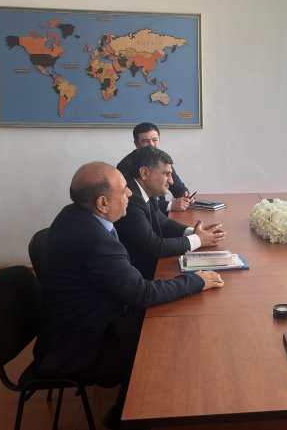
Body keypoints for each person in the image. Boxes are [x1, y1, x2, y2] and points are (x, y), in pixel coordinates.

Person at [33, 162, 224, 430]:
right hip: (79, 344)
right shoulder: (96, 241)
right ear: (102, 203)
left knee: (164, 323)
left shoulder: (74, 215)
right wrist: (196, 280)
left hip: (76, 322)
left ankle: (127, 409)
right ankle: (129, 416)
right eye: (124, 189)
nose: (130, 193)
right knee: (165, 342)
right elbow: (142, 294)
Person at [115, 146, 226, 280]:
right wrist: (198, 240)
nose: (171, 181)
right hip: (140, 277)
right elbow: (154, 247)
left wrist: (193, 232)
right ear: (144, 173)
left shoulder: (146, 191)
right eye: (166, 174)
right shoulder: (131, 200)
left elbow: (163, 223)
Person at [118, 122, 193, 214]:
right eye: (145, 141)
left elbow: (177, 186)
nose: (151, 145)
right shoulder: (125, 166)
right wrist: (170, 205)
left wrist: (185, 196)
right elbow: (134, 201)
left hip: (161, 215)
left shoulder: (162, 160)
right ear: (136, 144)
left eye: (155, 140)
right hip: (144, 215)